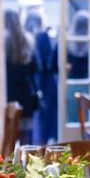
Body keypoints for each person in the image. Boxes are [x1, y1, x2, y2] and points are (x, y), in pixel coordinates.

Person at [4, 9, 39, 142]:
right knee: (26, 137)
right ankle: (29, 162)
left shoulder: (4, 40)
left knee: (10, 135)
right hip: (26, 92)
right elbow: (36, 67)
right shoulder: (28, 39)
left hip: (10, 92)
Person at [25, 8, 58, 143]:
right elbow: (48, 61)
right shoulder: (42, 36)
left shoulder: (25, 36)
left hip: (34, 81)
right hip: (46, 80)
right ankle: (46, 143)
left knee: (36, 118)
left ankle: (36, 144)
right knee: (48, 115)